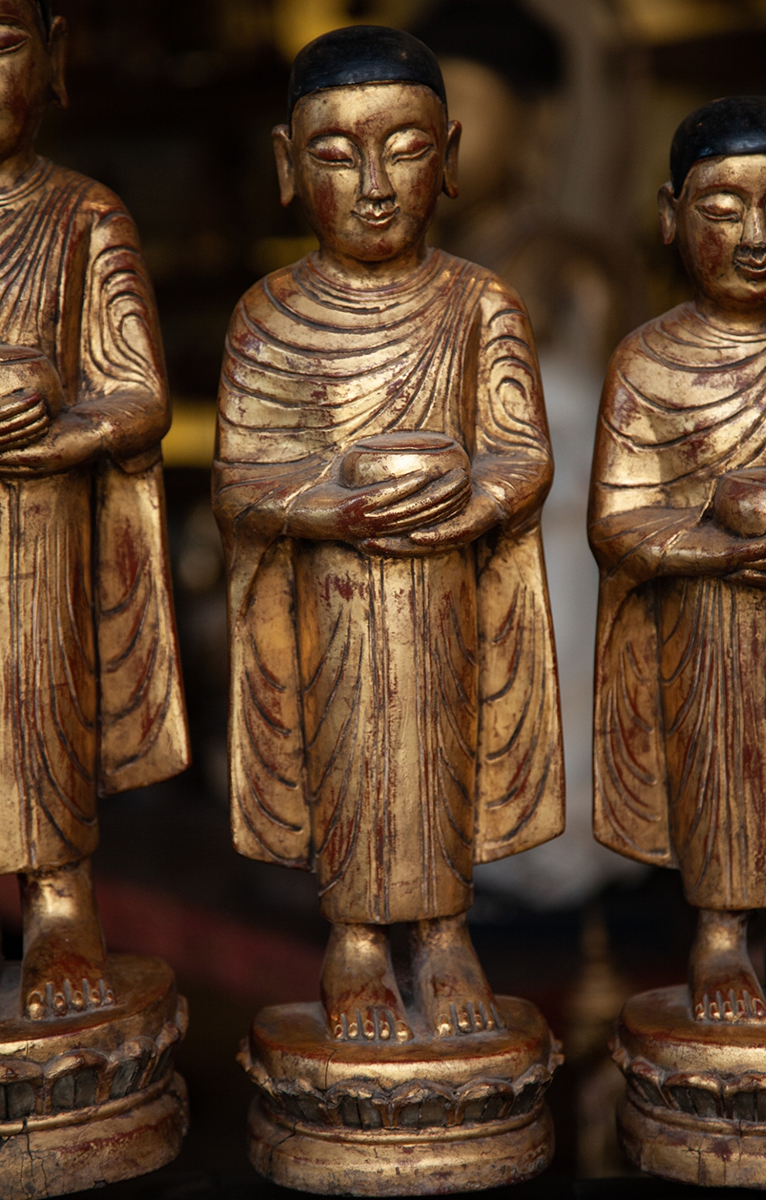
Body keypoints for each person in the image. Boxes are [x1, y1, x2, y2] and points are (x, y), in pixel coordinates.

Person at [213, 25, 564, 1044]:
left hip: (446, 597)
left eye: (404, 149)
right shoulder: (266, 317)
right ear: (286, 166)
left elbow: (522, 456)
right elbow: (239, 480)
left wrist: (464, 502)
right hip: (331, 605)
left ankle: (445, 930)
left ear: (446, 158)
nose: (373, 184)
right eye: (334, 154)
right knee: (346, 760)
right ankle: (357, 939)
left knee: (444, 756)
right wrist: (334, 509)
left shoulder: (479, 305)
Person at [590, 95, 766, 1024]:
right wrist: (716, 545)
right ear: (672, 215)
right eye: (723, 210)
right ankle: (719, 932)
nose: (756, 235)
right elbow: (617, 519)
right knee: (724, 769)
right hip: (709, 628)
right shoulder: (649, 360)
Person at [0, 0, 189, 1020]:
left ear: (56, 55)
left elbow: (141, 395)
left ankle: (59, 903)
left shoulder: (84, 216)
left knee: (41, 710)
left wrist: (55, 429)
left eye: (0, 47)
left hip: (40, 529)